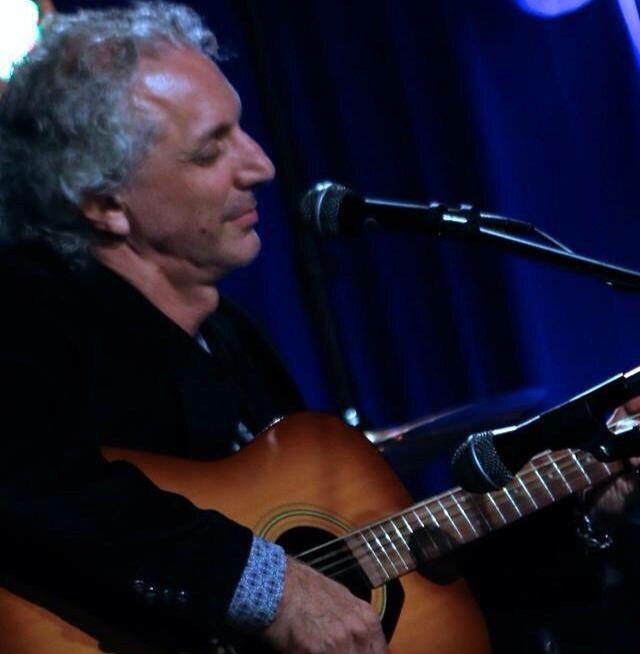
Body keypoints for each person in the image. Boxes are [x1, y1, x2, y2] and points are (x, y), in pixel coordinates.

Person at [0, 3, 387, 653]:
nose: (260, 165)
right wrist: (267, 588)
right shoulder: (23, 309)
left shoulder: (232, 337)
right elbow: (37, 485)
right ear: (105, 204)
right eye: (212, 149)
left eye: (243, 130)